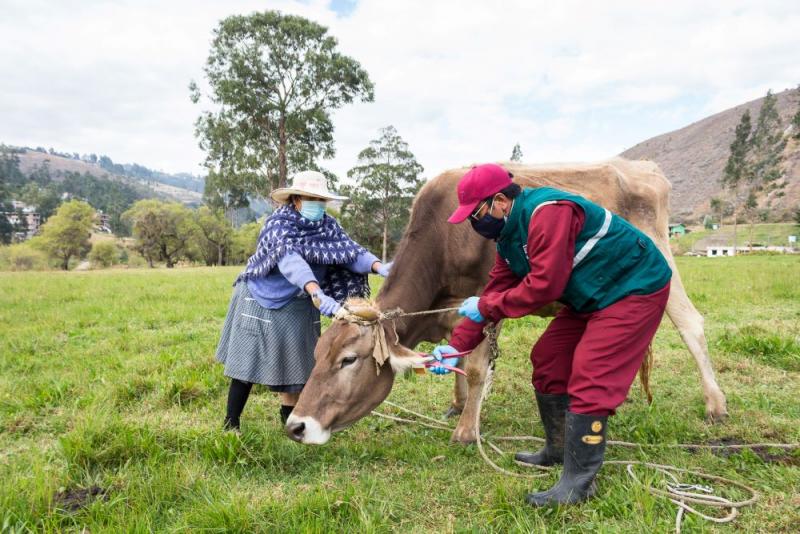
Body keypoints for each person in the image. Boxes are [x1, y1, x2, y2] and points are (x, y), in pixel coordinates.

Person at [432, 163, 672, 506]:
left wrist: (486, 307)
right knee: (548, 359)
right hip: (591, 295)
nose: (474, 223)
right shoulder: (509, 240)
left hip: (633, 287)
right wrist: (456, 347)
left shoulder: (548, 213)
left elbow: (545, 286)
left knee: (591, 373)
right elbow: (496, 292)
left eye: (476, 213)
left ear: (499, 202)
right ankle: (558, 449)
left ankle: (578, 483)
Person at [215, 170, 389, 431]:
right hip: (263, 297)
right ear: (296, 199)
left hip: (299, 302)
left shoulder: (329, 226)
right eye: (311, 198)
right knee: (246, 363)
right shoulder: (278, 224)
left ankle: (289, 419)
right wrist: (317, 292)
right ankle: (231, 423)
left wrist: (379, 266)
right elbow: (290, 261)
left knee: (297, 364)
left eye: (321, 200)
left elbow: (351, 253)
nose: (317, 205)